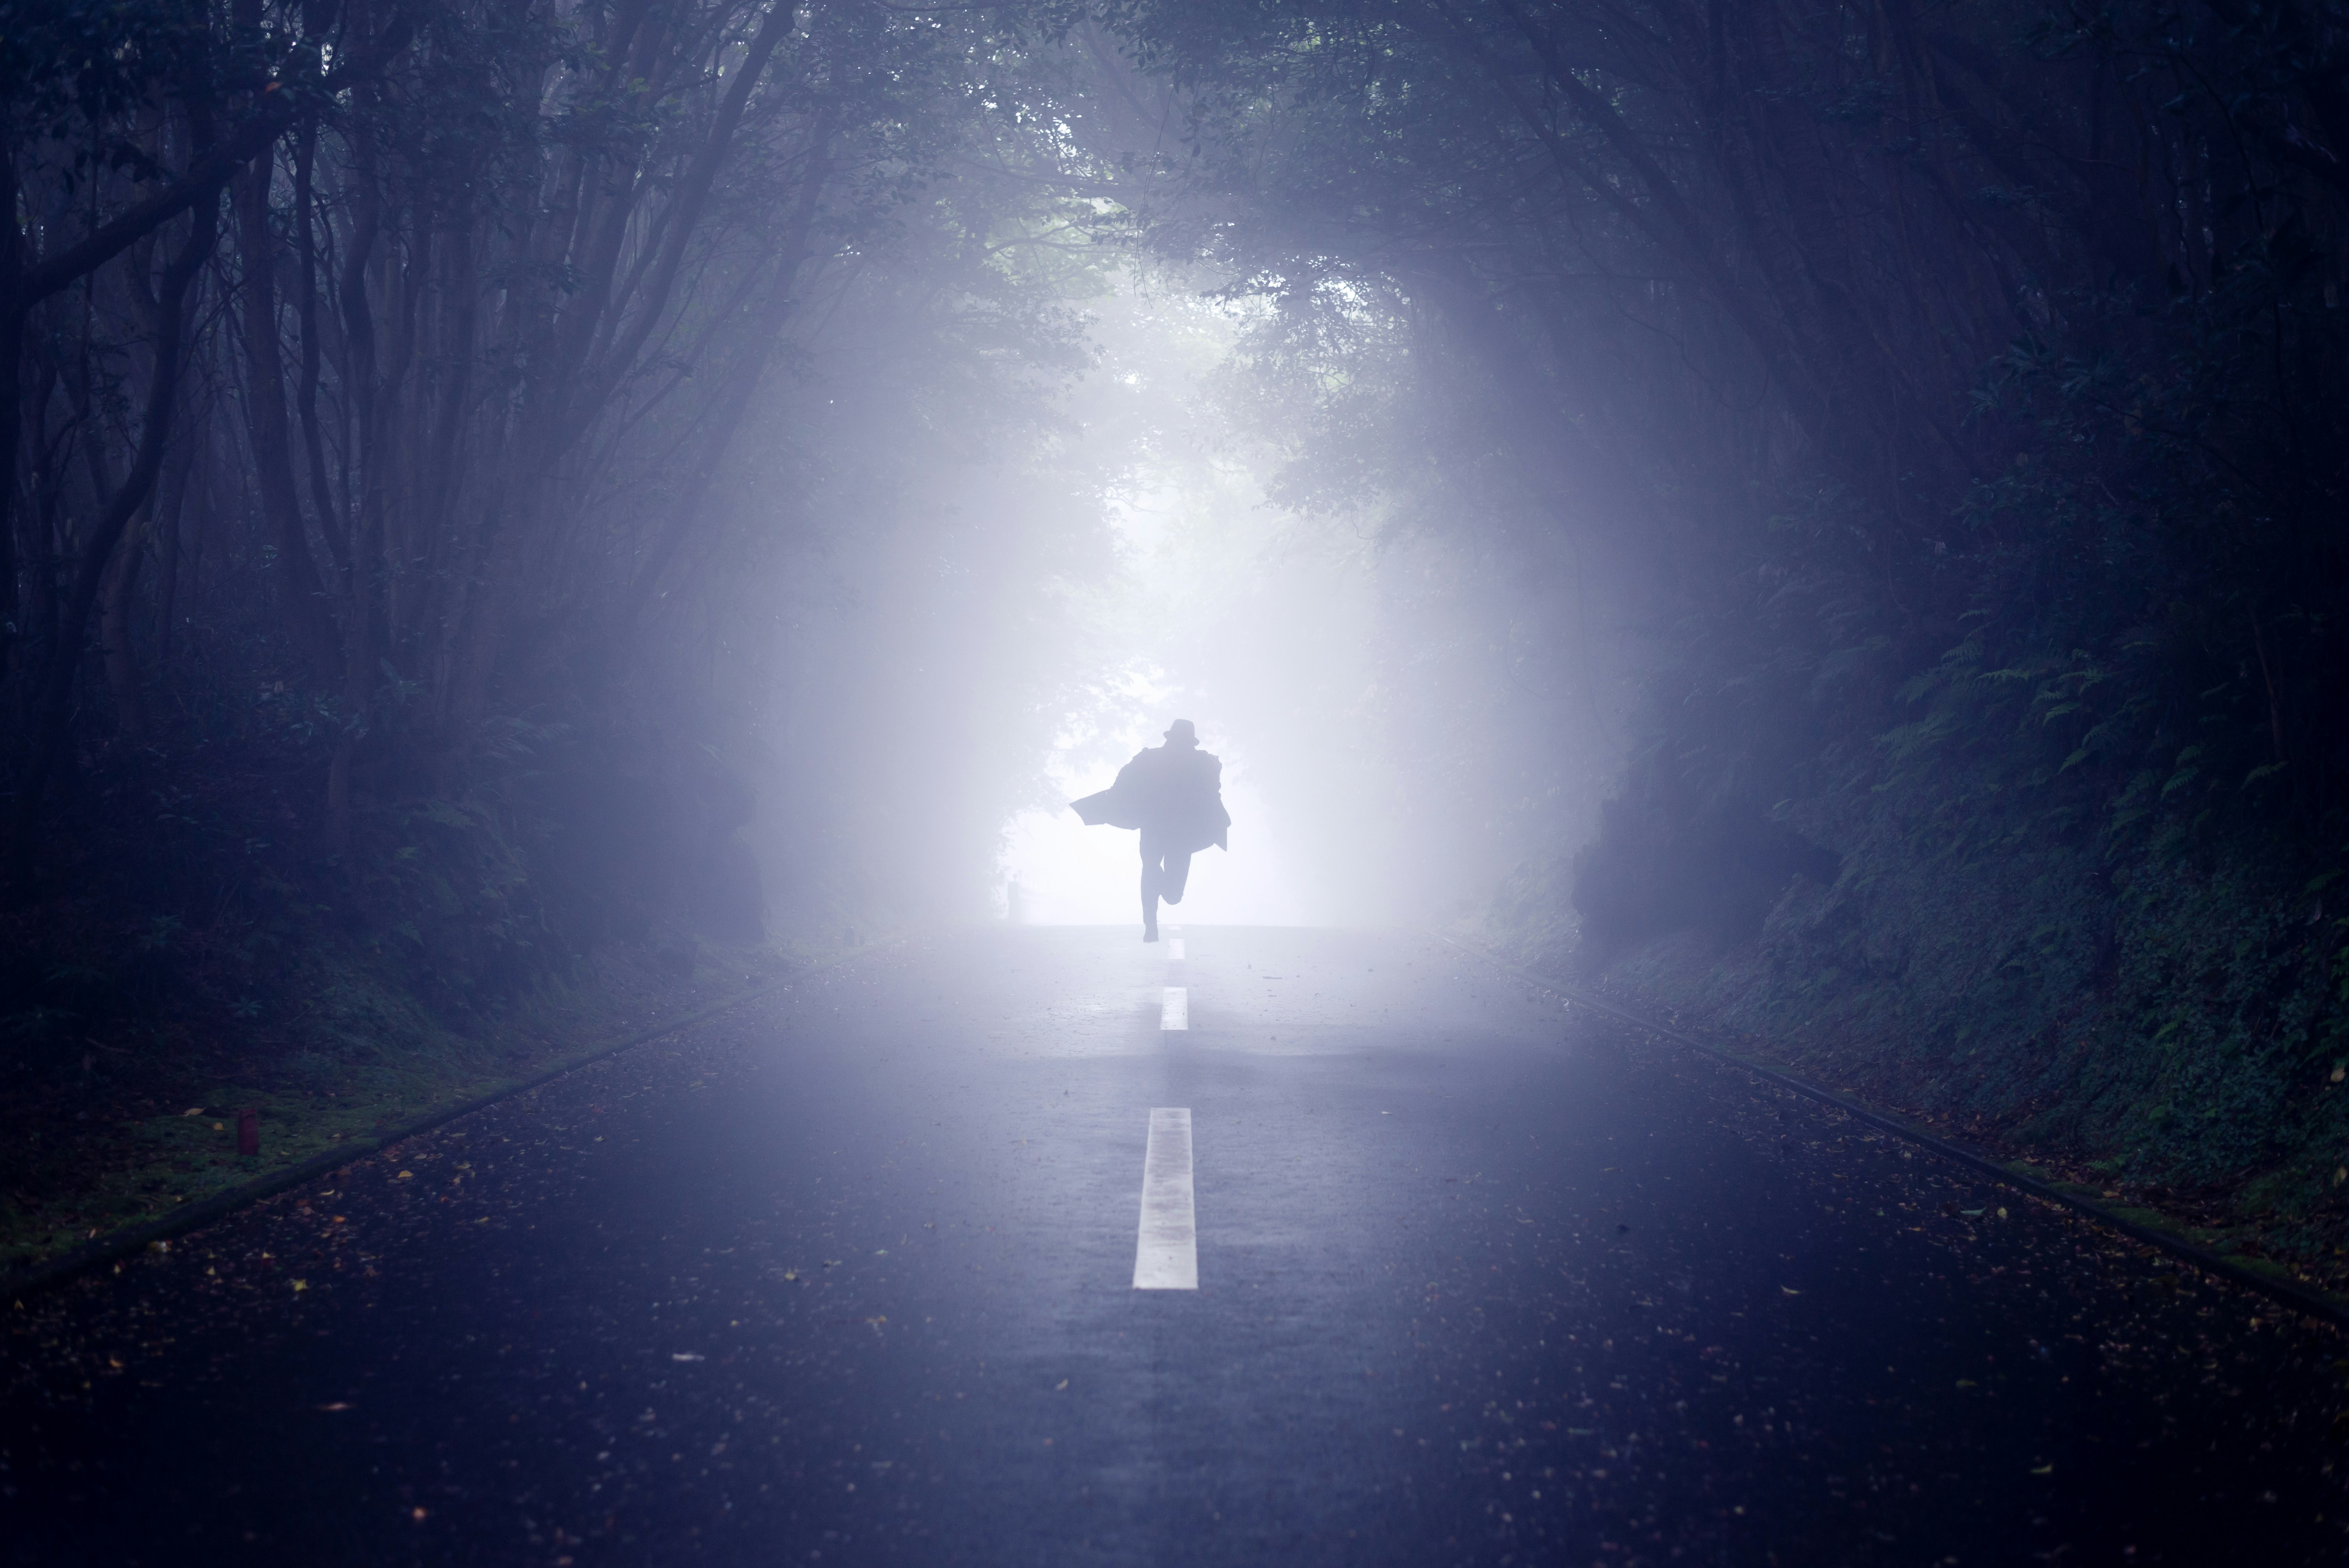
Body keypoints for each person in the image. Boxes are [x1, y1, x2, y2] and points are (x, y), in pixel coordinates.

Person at [1069, 719, 1231, 942]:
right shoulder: (1193, 762)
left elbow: (1122, 784)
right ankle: (1151, 926)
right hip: (1166, 832)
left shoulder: (1163, 759)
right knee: (1158, 877)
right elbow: (1214, 792)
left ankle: (1151, 918)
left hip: (1171, 834)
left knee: (1162, 882)